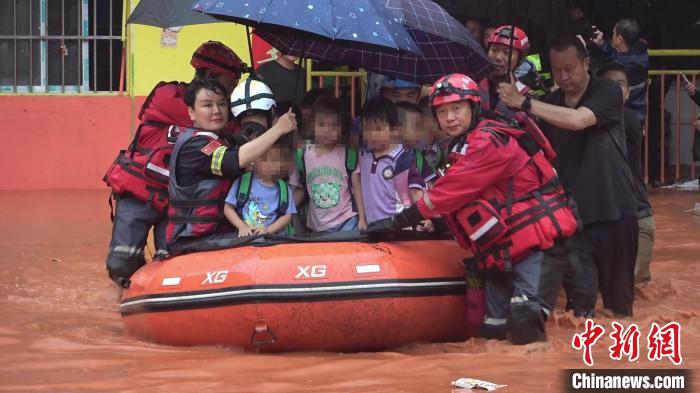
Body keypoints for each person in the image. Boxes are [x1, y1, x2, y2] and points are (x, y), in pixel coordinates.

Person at [364, 74, 578, 344]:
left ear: (474, 106)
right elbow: (467, 201)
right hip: (502, 249)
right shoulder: (460, 146)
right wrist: (439, 224)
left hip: (538, 245)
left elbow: (450, 191)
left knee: (524, 320)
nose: (449, 117)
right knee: (491, 331)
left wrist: (398, 221)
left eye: (456, 108)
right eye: (441, 111)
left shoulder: (488, 141)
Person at [497, 34, 639, 317]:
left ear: (586, 63)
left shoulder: (607, 91)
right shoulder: (550, 102)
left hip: (615, 213)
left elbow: (578, 120)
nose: (563, 76)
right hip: (571, 220)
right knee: (579, 309)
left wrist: (525, 103)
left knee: (618, 308)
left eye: (570, 68)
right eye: (556, 69)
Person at [103, 41, 245, 288]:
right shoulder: (170, 97)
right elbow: (210, 124)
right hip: (140, 191)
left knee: (169, 263)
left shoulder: (221, 115)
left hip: (177, 201)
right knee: (121, 261)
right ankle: (127, 299)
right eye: (230, 82)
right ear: (210, 74)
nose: (231, 90)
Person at [166, 78, 296, 252]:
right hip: (193, 240)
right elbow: (234, 160)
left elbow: (245, 145)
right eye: (207, 105)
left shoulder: (222, 139)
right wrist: (278, 129)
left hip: (220, 235)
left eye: (221, 104)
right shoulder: (193, 146)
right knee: (264, 243)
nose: (216, 111)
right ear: (191, 112)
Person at [597, 62, 656, 287]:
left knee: (631, 294)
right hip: (601, 223)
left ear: (629, 92)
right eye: (608, 84)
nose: (613, 89)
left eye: (620, 85)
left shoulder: (628, 119)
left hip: (636, 220)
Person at [290, 96, 368, 232]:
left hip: (348, 221)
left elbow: (356, 187)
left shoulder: (348, 154)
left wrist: (362, 218)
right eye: (321, 125)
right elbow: (300, 189)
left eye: (333, 126)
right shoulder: (302, 155)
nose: (327, 131)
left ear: (341, 128)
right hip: (318, 227)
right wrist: (283, 210)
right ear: (312, 124)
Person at [358, 97, 428, 228]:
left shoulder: (403, 159)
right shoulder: (363, 155)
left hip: (398, 229)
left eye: (378, 129)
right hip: (372, 229)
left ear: (394, 129)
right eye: (367, 129)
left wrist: (425, 218)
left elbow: (416, 192)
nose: (372, 134)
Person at [223, 136, 297, 236]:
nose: (270, 164)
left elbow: (287, 216)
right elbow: (228, 208)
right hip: (247, 239)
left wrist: (268, 230)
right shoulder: (243, 183)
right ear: (253, 160)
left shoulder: (284, 188)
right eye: (265, 159)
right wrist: (241, 226)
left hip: (274, 240)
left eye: (275, 160)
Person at [591, 18, 649, 126]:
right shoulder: (641, 53)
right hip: (636, 115)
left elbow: (617, 60)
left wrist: (602, 44)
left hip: (625, 117)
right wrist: (602, 43)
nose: (612, 37)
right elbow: (617, 57)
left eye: (614, 34)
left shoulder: (628, 62)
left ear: (620, 39)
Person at [480, 25, 535, 115]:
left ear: (520, 59)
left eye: (507, 52)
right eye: (494, 50)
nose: (498, 57)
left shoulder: (526, 95)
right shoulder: (474, 85)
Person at [396, 101, 437, 187]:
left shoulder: (418, 157)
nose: (421, 133)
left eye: (421, 128)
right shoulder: (386, 157)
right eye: (416, 128)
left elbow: (430, 185)